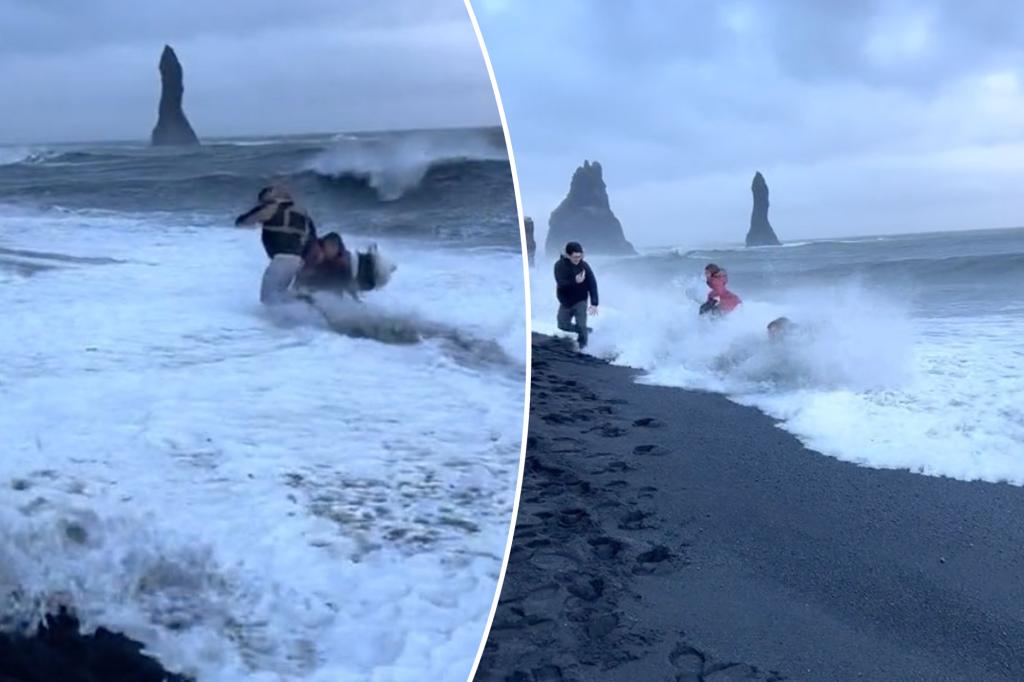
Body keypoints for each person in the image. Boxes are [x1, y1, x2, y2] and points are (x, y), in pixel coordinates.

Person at [234, 185, 318, 303]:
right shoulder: (302, 212)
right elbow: (312, 238)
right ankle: (305, 306)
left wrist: (255, 212)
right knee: (279, 293)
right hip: (297, 260)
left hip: (281, 259)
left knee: (267, 298)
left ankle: (307, 304)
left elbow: (242, 222)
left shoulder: (271, 208)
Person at [554, 241, 598, 349]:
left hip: (580, 300)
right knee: (562, 325)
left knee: (581, 325)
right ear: (568, 255)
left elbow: (592, 283)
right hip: (565, 301)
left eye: (580, 256)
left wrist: (594, 303)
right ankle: (586, 331)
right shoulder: (559, 265)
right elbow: (561, 283)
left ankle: (584, 349)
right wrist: (575, 281)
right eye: (575, 257)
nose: (578, 259)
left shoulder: (584, 266)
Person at [295, 232, 357, 297]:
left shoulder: (342, 263)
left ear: (339, 248)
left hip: (332, 297)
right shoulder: (313, 258)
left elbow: (349, 284)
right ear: (323, 246)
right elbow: (300, 278)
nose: (332, 249)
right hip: (311, 294)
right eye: (330, 245)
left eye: (334, 246)